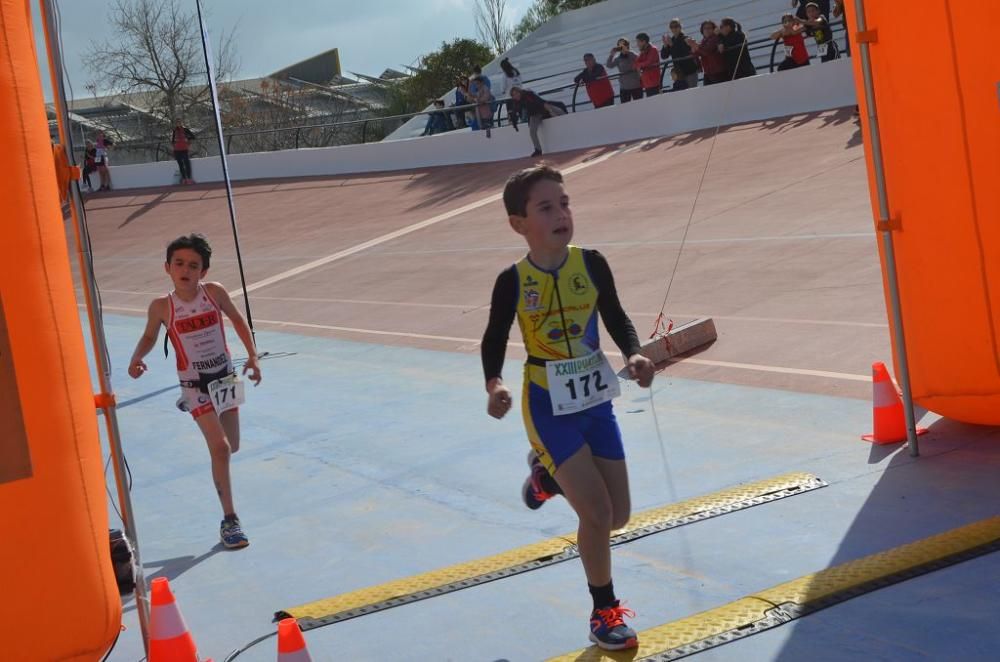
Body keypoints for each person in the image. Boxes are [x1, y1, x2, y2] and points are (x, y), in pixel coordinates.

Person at [482, 165, 655, 651]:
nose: (561, 213)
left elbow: (616, 315)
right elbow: (494, 337)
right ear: (519, 224)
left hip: (595, 399)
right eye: (546, 207)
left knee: (618, 515)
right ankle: (605, 612)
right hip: (546, 405)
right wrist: (493, 384)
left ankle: (547, 479)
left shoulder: (591, 263)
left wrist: (634, 353)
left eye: (565, 203)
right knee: (597, 513)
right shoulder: (512, 281)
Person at [127, 234, 261, 549]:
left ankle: (201, 413)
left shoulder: (214, 293)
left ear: (203, 271)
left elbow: (238, 320)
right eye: (179, 263)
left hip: (225, 379)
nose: (185, 270)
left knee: (233, 446)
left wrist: (253, 357)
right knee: (221, 448)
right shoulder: (162, 307)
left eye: (193, 265)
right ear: (167, 268)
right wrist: (137, 358)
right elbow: (149, 337)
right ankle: (230, 520)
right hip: (195, 385)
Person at [509, 86, 566, 157]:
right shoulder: (516, 102)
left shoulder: (528, 95)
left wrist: (551, 111)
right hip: (534, 114)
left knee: (560, 112)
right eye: (513, 95)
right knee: (532, 132)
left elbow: (542, 102)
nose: (516, 95)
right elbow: (514, 112)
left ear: (519, 92)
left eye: (516, 93)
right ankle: (538, 150)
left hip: (543, 108)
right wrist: (514, 122)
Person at [660, 19, 700, 88]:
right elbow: (664, 56)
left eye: (676, 26)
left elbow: (684, 53)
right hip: (680, 74)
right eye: (671, 27)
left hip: (689, 71)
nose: (674, 29)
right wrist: (665, 46)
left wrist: (672, 45)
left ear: (680, 27)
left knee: (692, 93)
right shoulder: (672, 40)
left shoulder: (685, 38)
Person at [689, 20, 727, 85]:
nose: (707, 30)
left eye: (709, 28)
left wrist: (695, 46)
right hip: (708, 73)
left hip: (718, 72)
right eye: (705, 28)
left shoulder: (715, 38)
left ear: (713, 29)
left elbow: (707, 51)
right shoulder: (703, 41)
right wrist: (693, 47)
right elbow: (696, 54)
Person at [606, 38, 642, 103]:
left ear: (627, 45)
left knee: (639, 104)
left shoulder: (632, 54)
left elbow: (639, 60)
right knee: (625, 106)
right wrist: (611, 55)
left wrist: (627, 51)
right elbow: (609, 65)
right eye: (619, 46)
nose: (621, 47)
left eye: (623, 45)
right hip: (624, 87)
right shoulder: (618, 58)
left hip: (636, 85)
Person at [171, 120, 196, 185]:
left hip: (184, 149)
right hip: (177, 150)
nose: (178, 123)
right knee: (181, 165)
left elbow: (193, 137)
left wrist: (187, 139)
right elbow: (173, 140)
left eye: (180, 122)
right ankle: (184, 179)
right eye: (177, 122)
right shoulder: (174, 131)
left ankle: (189, 178)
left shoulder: (185, 130)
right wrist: (174, 146)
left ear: (182, 123)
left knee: (187, 163)